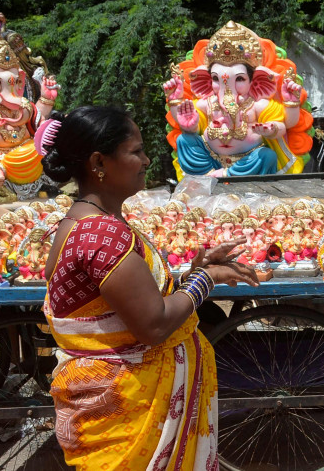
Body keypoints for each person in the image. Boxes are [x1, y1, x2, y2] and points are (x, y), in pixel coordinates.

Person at [38, 106, 258, 470]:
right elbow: (153, 325)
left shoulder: (84, 222)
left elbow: (128, 305)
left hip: (131, 404)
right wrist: (209, 279)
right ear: (99, 162)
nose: (146, 159)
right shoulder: (101, 234)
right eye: (135, 151)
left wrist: (194, 273)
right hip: (130, 411)